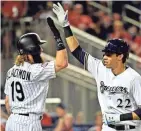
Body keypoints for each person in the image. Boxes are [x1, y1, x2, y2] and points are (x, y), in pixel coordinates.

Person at [52, 3, 141, 131]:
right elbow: (77, 51)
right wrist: (66, 26)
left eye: (109, 54)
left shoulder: (134, 78)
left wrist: (120, 117)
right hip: (108, 128)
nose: (105, 56)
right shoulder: (100, 68)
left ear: (120, 56)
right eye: (105, 53)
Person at [4, 17, 68, 131]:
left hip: (12, 121)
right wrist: (58, 37)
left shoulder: (11, 71)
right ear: (32, 49)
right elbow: (62, 63)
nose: (41, 50)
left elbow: (8, 102)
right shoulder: (35, 70)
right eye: (39, 47)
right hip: (28, 123)